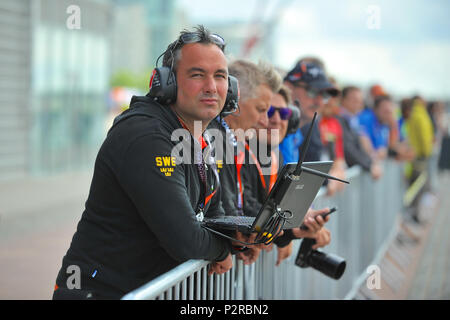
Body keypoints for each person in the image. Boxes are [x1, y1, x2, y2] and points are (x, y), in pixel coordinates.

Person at [53, 26, 240, 300]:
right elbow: (186, 241)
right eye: (197, 75)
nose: (211, 87)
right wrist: (224, 249)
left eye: (220, 76)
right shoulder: (145, 136)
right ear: (167, 82)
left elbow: (216, 211)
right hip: (101, 292)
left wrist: (242, 239)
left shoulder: (201, 136)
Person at [244, 84, 332, 266]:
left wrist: (298, 226)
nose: (277, 120)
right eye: (269, 111)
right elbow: (246, 213)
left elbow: (268, 212)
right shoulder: (236, 154)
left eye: (284, 114)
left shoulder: (276, 156)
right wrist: (293, 226)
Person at [206, 59, 283, 265]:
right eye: (260, 109)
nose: (265, 121)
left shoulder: (230, 140)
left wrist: (240, 241)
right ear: (235, 101)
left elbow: (235, 205)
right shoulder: (211, 139)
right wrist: (225, 248)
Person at [282, 61, 343, 195]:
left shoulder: (297, 133)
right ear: (288, 88)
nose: (319, 102)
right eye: (312, 92)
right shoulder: (272, 130)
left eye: (325, 95)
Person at [338, 86, 383, 180]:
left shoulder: (354, 120)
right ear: (343, 100)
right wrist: (370, 165)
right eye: (354, 100)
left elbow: (361, 147)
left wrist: (371, 162)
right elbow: (349, 149)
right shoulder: (339, 120)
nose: (358, 104)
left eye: (360, 100)